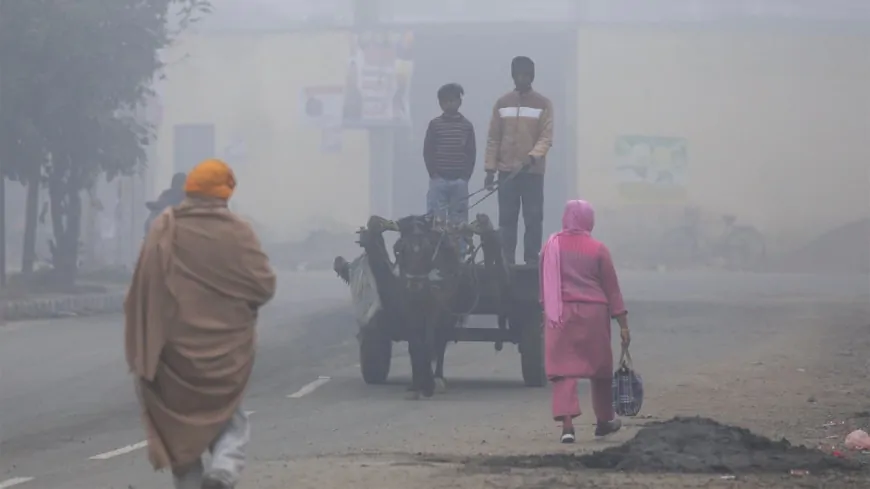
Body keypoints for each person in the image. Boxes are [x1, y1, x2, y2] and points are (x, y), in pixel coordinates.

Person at [125, 158, 276, 489]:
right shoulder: (238, 232)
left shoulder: (164, 229)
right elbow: (265, 286)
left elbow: (142, 291)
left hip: (171, 354)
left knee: (178, 428)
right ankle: (223, 470)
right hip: (225, 354)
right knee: (230, 420)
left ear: (189, 191)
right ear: (225, 193)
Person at [539, 200, 630, 443]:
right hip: (594, 316)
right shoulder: (599, 249)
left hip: (559, 315)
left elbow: (544, 287)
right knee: (600, 370)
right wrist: (623, 325)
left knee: (563, 370)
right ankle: (603, 421)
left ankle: (567, 427)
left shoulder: (550, 246)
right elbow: (613, 290)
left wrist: (546, 314)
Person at [484, 56, 554, 265]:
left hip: (532, 173)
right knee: (507, 220)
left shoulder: (543, 104)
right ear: (513, 76)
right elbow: (494, 138)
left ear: (531, 77)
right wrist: (490, 169)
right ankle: (507, 261)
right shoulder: (502, 103)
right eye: (518, 75)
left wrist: (532, 157)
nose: (521, 79)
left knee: (532, 219)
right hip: (506, 173)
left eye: (525, 75)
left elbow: (546, 136)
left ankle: (532, 260)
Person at [423, 83, 476, 232]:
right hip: (439, 180)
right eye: (446, 101)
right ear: (440, 103)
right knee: (435, 222)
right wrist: (433, 173)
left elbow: (471, 153)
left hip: (459, 181)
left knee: (459, 223)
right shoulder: (435, 125)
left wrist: (465, 176)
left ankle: (459, 253)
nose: (449, 104)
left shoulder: (466, 126)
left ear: (459, 102)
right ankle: (436, 253)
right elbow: (428, 151)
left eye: (453, 100)